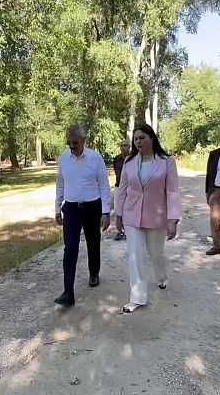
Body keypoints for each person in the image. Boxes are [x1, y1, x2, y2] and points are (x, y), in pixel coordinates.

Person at [115, 123, 182, 313]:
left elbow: (172, 191)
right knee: (135, 256)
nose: (138, 142)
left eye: (142, 138)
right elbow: (122, 190)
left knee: (156, 254)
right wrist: (118, 214)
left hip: (157, 215)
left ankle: (162, 277)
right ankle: (137, 297)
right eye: (136, 139)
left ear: (151, 138)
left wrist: (172, 219)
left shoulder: (167, 161)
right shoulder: (129, 162)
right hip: (132, 215)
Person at [54, 125, 111, 306]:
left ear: (83, 141)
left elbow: (104, 185)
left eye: (75, 143)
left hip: (92, 207)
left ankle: (94, 272)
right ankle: (68, 291)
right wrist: (57, 208)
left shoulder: (95, 158)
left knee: (93, 243)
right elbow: (60, 184)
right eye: (69, 143)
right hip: (71, 209)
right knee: (70, 248)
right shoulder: (64, 159)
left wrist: (106, 212)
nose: (72, 146)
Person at [112, 139, 131, 241]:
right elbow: (116, 171)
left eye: (125, 145)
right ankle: (120, 231)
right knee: (118, 209)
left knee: (128, 209)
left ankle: (129, 231)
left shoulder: (133, 158)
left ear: (129, 147)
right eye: (121, 145)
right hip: (118, 187)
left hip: (130, 188)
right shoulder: (116, 159)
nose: (123, 147)